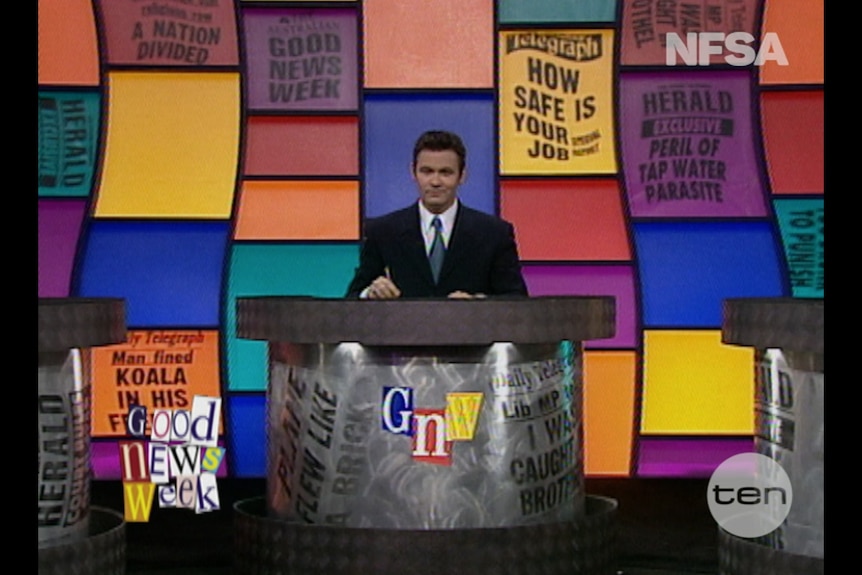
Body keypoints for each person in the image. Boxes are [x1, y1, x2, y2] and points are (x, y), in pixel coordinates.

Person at [345, 130, 528, 299]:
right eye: (427, 171)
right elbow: (351, 300)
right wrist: (369, 293)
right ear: (413, 172)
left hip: (467, 326)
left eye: (445, 173)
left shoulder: (494, 233)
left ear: (462, 176)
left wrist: (477, 304)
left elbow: (517, 301)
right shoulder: (382, 231)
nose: (435, 182)